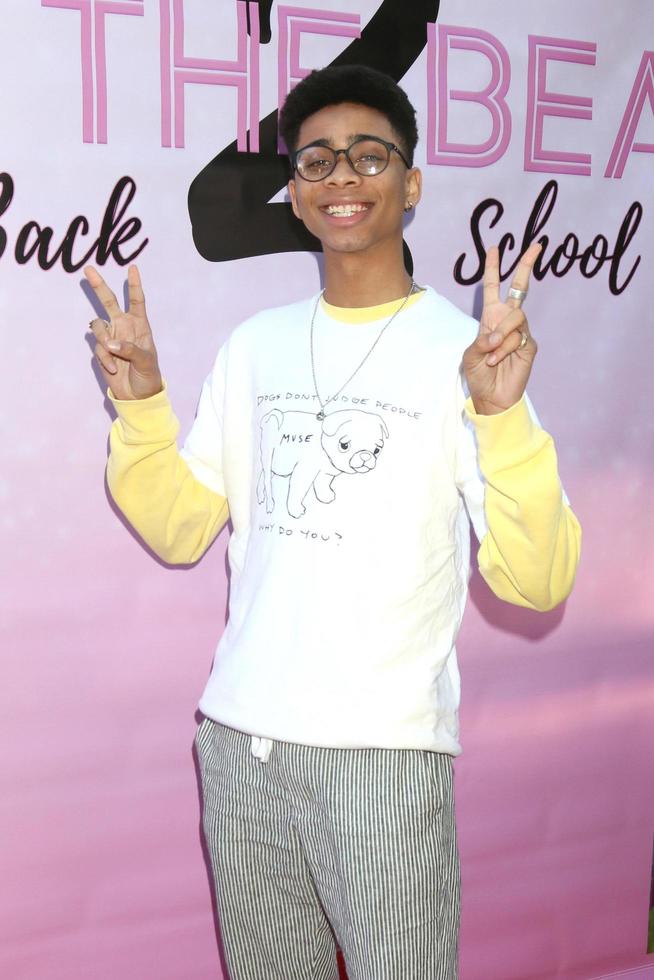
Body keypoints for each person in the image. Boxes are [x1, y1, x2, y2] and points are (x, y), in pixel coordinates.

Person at [86, 65, 581, 980]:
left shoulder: (465, 359)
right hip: (241, 745)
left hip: (382, 758)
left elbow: (537, 579)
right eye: (316, 160)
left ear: (411, 182)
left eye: (368, 156)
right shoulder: (255, 346)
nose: (341, 177)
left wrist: (503, 418)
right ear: (297, 193)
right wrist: (143, 404)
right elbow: (182, 527)